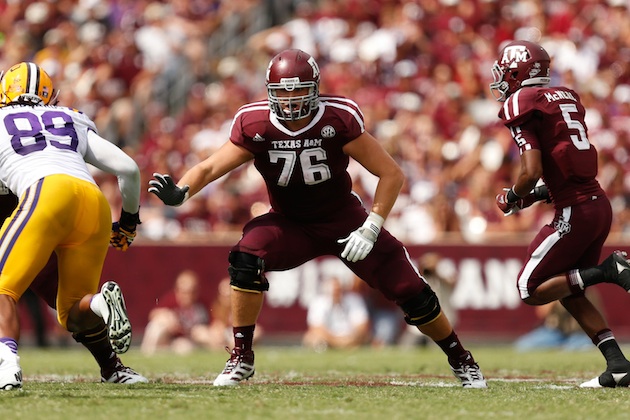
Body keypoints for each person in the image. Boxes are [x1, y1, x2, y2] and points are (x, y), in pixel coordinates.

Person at [149, 49, 487, 388]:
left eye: (299, 91)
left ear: (316, 88)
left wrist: (371, 226)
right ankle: (241, 357)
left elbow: (391, 174)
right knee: (245, 257)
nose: (292, 100)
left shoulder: (337, 117)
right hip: (289, 222)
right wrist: (182, 190)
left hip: (343, 218)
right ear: (269, 92)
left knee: (412, 291)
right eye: (284, 92)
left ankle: (461, 358)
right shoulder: (256, 122)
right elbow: (209, 166)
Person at [491, 40, 630, 388]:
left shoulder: (521, 102)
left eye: (505, 72)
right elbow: (564, 164)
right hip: (597, 204)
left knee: (529, 287)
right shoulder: (562, 95)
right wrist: (535, 196)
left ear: (517, 72)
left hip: (575, 211)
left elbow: (531, 169)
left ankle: (608, 270)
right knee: (568, 288)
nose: (501, 80)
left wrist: (513, 194)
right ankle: (618, 365)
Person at [0, 62, 145, 390]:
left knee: (3, 288)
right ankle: (100, 306)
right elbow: (129, 168)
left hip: (45, 195)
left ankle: (6, 366)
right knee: (71, 309)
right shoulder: (70, 117)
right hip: (93, 202)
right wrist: (128, 223)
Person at [141, 269, 210, 355]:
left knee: (188, 347)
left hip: (189, 342)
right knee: (156, 326)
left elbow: (215, 323)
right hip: (170, 338)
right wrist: (167, 316)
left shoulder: (202, 304)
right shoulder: (171, 300)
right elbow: (153, 314)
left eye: (192, 291)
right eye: (184, 292)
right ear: (177, 290)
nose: (188, 296)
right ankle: (147, 354)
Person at [302, 275, 370, 351]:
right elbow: (317, 328)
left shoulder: (355, 300)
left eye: (339, 290)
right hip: (329, 339)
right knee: (311, 338)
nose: (337, 293)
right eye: (334, 290)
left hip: (350, 337)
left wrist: (350, 338)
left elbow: (362, 326)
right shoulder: (318, 302)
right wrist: (338, 341)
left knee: (365, 336)